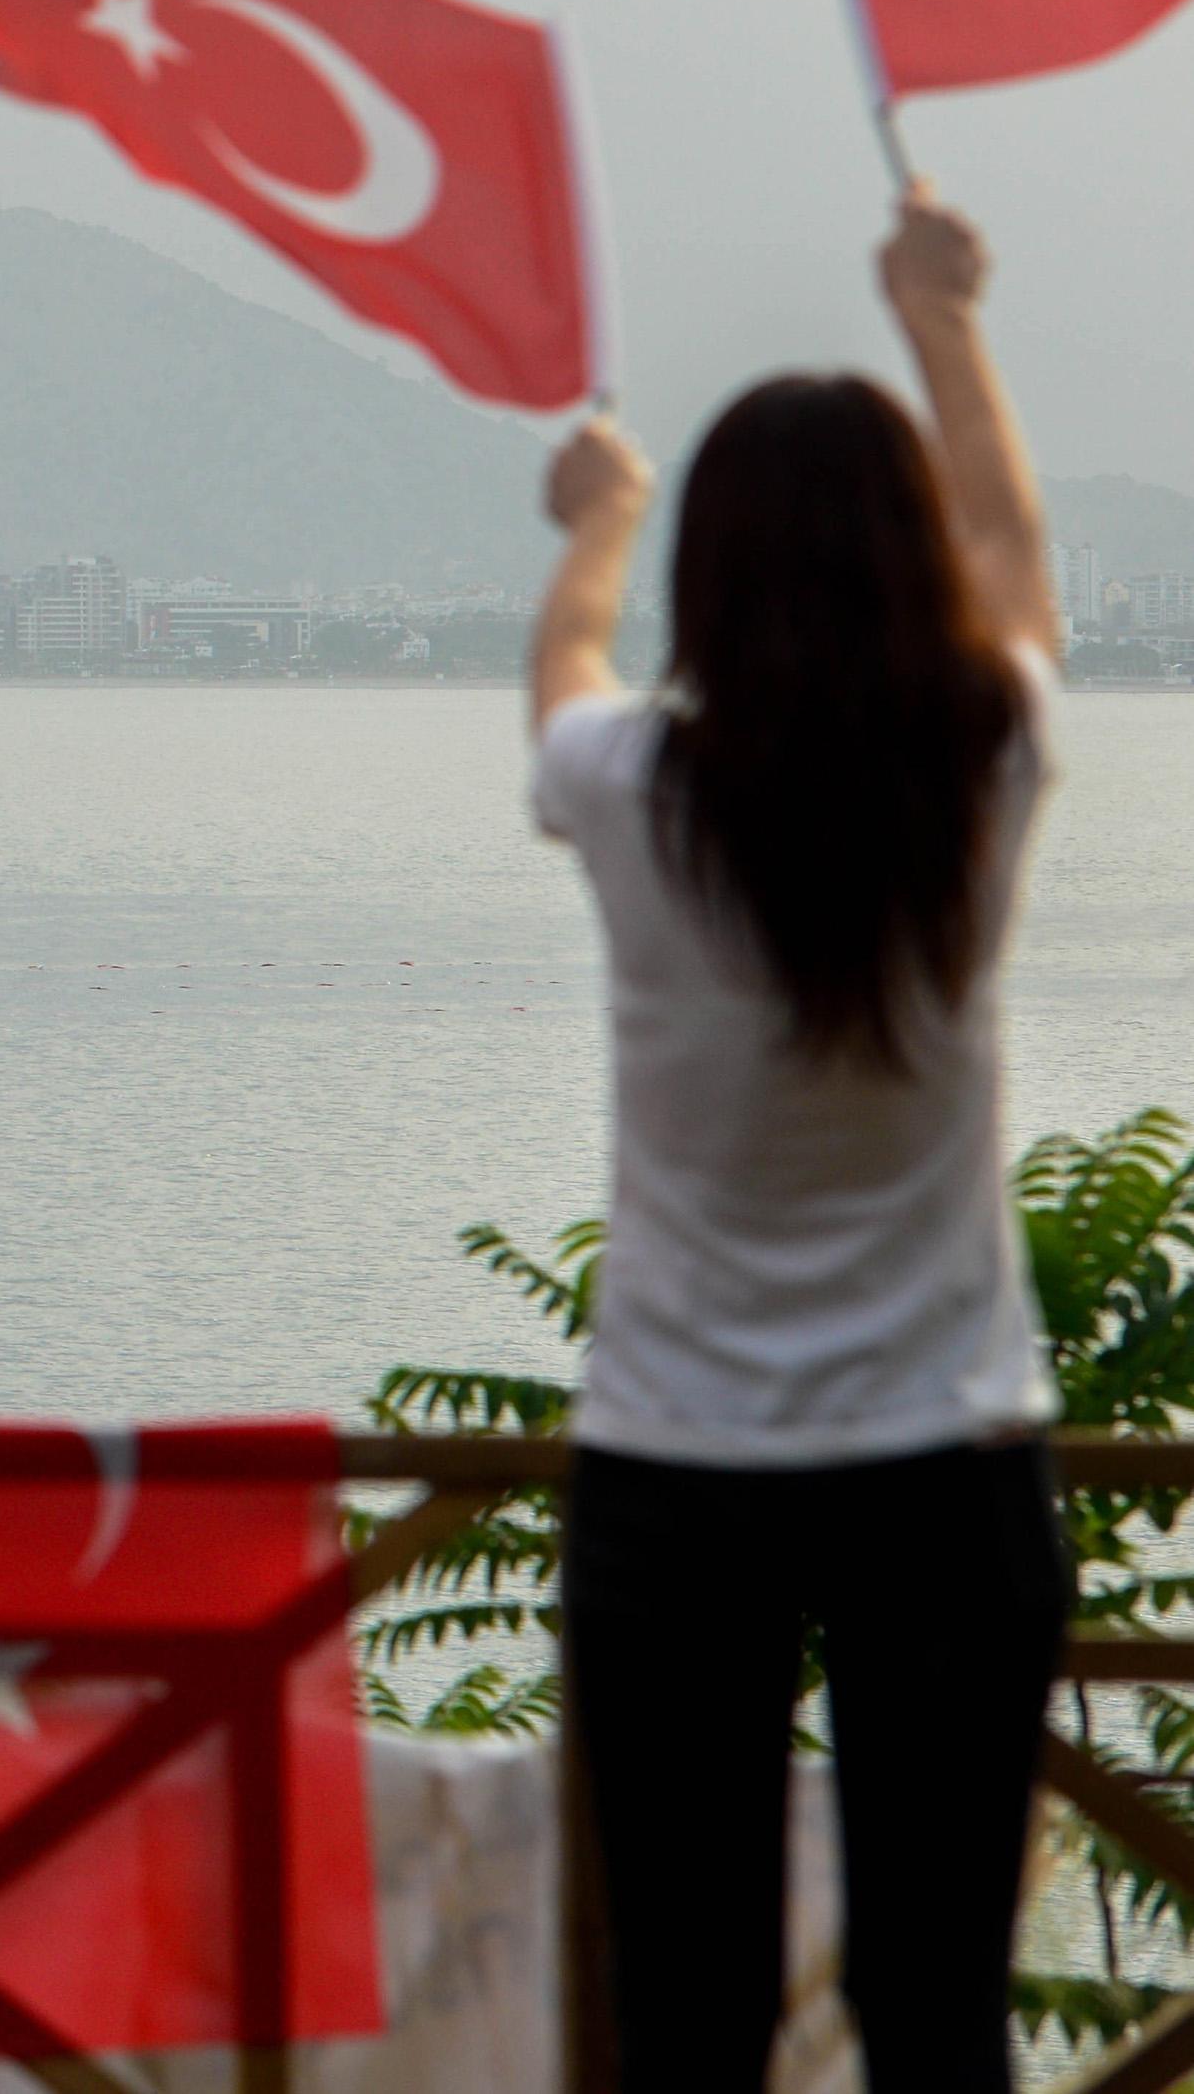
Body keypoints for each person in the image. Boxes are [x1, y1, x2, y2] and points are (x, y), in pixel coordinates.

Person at [526, 185, 1072, 2094]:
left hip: (675, 1491)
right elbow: (1012, 558)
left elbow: (562, 677)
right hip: (947, 1481)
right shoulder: (985, 762)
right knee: (943, 2026)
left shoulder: (627, 790)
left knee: (685, 2027)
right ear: (903, 560)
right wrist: (942, 319)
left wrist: (592, 523)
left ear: (712, 576)